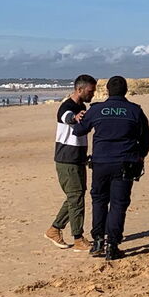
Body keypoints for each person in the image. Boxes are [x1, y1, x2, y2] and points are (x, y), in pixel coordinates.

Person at [72, 76, 149, 260]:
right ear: (125, 91)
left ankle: (99, 240)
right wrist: (141, 155)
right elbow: (146, 137)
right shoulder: (134, 111)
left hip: (101, 163)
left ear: (107, 91)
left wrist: (78, 118)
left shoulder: (97, 110)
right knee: (118, 204)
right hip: (125, 162)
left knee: (99, 201)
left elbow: (78, 131)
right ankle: (112, 244)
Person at [45, 74, 97, 252]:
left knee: (76, 196)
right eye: (90, 91)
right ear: (80, 89)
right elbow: (66, 117)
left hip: (78, 158)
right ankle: (78, 238)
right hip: (66, 159)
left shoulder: (82, 106)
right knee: (76, 198)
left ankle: (54, 229)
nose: (92, 95)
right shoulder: (67, 106)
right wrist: (74, 118)